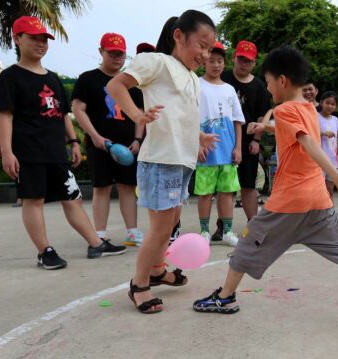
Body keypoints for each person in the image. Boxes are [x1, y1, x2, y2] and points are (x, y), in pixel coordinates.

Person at [192, 45, 338, 319]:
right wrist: (266, 127)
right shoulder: (308, 109)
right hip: (318, 202)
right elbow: (298, 131)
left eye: (268, 83)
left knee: (245, 245)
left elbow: (305, 141)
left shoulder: (283, 110)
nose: (268, 89)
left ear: (282, 81)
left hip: (288, 202)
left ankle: (225, 298)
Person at [107, 10, 218, 314]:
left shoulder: (192, 79)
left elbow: (181, 114)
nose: (205, 54)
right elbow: (115, 86)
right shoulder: (156, 61)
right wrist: (136, 115)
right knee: (160, 228)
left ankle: (157, 269)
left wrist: (199, 137)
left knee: (170, 224)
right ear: (179, 36)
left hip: (181, 161)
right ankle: (139, 284)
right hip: (160, 160)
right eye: (202, 45)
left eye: (211, 49)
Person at [0, 16, 127, 270]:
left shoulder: (53, 77)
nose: (41, 43)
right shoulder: (10, 78)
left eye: (44, 39)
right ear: (17, 39)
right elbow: (5, 116)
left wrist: (75, 141)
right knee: (33, 200)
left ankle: (95, 243)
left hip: (56, 151)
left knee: (73, 197)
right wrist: (7, 151)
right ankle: (45, 251)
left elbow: (63, 113)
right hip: (28, 151)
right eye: (33, 38)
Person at [72, 33, 145, 246]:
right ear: (101, 52)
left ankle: (132, 232)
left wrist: (138, 139)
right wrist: (95, 136)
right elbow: (78, 109)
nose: (117, 58)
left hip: (128, 145)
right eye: (112, 53)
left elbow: (140, 113)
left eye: (120, 54)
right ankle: (100, 233)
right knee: (101, 188)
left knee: (127, 187)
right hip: (100, 145)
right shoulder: (88, 79)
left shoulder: (131, 81)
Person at [195, 41, 244, 247]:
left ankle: (227, 231)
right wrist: (197, 145)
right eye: (212, 61)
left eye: (220, 61)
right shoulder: (196, 84)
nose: (216, 65)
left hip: (227, 151)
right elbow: (189, 118)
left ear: (225, 64)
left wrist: (238, 147)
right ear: (204, 61)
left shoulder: (230, 89)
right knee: (205, 193)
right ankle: (204, 231)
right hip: (206, 151)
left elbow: (237, 121)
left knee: (226, 192)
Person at [220, 40, 271, 230]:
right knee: (225, 187)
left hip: (249, 141)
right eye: (241, 59)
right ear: (234, 58)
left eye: (248, 61)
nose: (244, 63)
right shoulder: (223, 78)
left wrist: (257, 139)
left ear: (254, 63)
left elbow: (263, 115)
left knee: (248, 185)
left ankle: (253, 226)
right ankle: (223, 227)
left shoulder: (259, 86)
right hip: (223, 139)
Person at [318, 91, 338, 197]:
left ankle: (330, 212)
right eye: (327, 103)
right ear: (321, 102)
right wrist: (323, 133)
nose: (330, 106)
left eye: (333, 104)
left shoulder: (336, 120)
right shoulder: (315, 117)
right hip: (319, 159)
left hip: (332, 159)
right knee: (319, 190)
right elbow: (309, 134)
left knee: (330, 191)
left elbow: (337, 137)